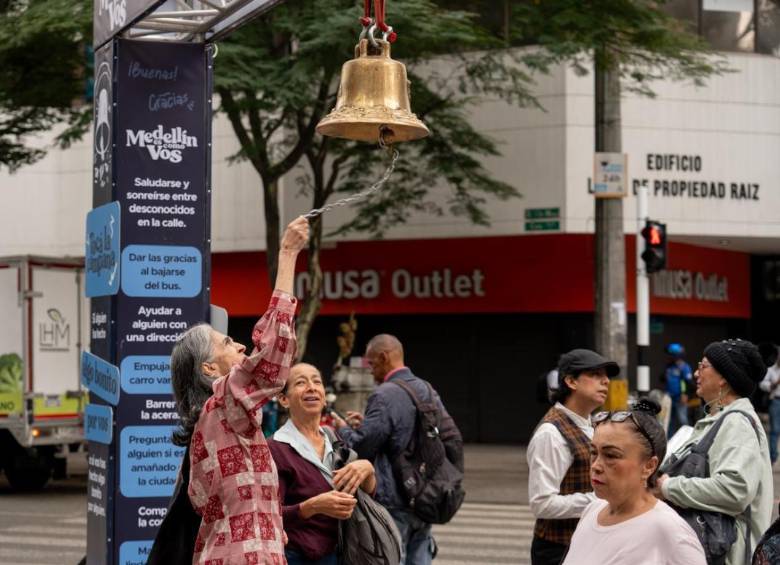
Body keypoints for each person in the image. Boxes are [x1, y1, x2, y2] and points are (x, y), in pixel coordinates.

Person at [169, 216, 309, 565]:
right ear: (209, 369)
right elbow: (272, 355)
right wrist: (289, 253)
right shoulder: (223, 403)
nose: (242, 347)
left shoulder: (217, 425)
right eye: (228, 343)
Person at [333, 334, 463, 565]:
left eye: (372, 364)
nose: (371, 371)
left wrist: (343, 430)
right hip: (424, 495)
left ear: (384, 357)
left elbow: (362, 446)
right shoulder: (426, 388)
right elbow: (447, 435)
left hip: (395, 497)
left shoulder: (384, 394)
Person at [655, 339, 773, 565]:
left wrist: (668, 487)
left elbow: (734, 490)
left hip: (728, 554)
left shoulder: (737, 424)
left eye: (703, 366)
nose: (696, 373)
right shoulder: (716, 420)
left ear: (724, 379)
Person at [563, 400, 706, 564]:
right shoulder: (592, 510)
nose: (596, 466)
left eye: (611, 455)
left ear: (649, 466)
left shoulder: (670, 532)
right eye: (593, 452)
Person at [268, 363, 377, 565]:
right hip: (296, 556)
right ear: (284, 399)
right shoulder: (276, 448)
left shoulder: (334, 440)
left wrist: (368, 470)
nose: (311, 387)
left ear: (324, 396)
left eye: (316, 381)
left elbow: (368, 496)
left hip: (341, 552)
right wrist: (311, 507)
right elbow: (268, 515)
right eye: (301, 382)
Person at [527, 348, 617, 565]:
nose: (605, 381)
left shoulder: (591, 422)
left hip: (587, 542)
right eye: (595, 375)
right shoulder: (551, 433)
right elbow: (542, 503)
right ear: (571, 382)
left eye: (606, 376)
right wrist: (599, 499)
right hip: (558, 549)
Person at [662, 343, 694, 437]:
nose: (668, 356)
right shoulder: (669, 366)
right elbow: (665, 379)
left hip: (680, 397)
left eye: (670, 355)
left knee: (682, 419)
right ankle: (669, 439)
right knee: (669, 421)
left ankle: (687, 438)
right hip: (669, 397)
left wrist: (684, 394)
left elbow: (687, 382)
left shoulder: (684, 367)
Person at [758, 343, 780, 463]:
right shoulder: (771, 370)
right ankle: (773, 456)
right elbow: (762, 384)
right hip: (776, 401)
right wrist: (773, 384)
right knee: (775, 430)